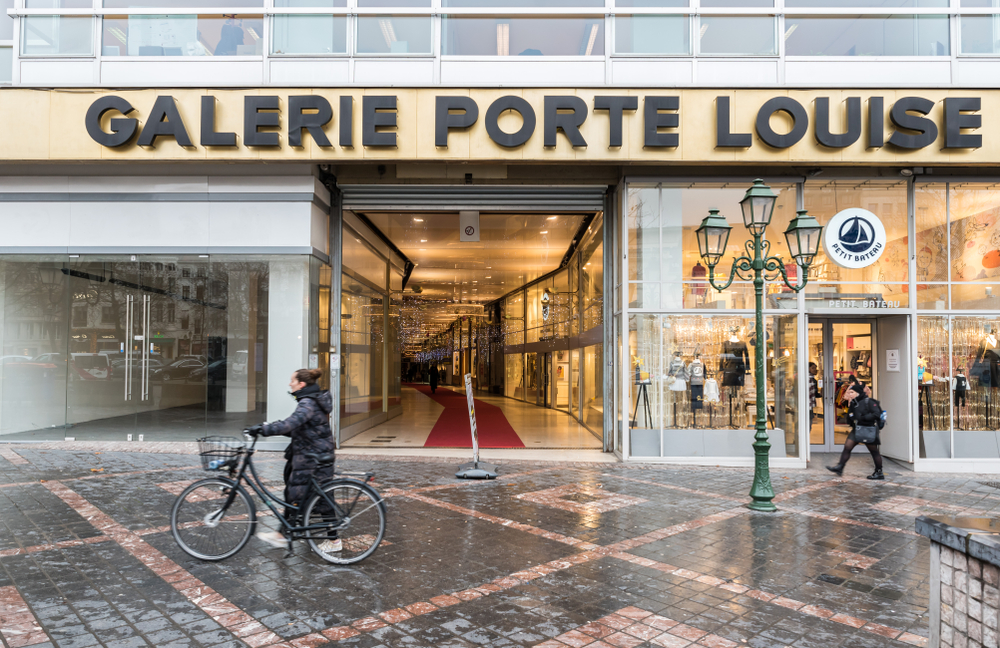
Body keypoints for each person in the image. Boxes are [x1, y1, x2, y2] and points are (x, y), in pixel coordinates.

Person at [250, 368, 339, 551]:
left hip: (312, 457)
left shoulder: (307, 402)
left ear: (301, 384)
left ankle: (333, 541)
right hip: (311, 454)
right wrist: (270, 427)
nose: (290, 384)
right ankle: (283, 534)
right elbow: (298, 427)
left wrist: (264, 429)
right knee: (299, 495)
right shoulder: (310, 400)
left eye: (292, 380)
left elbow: (291, 423)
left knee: (312, 497)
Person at [827, 382, 885, 480]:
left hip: (868, 430)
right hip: (856, 430)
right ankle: (840, 467)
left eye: (852, 392)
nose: (849, 394)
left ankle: (879, 472)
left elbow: (876, 414)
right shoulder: (854, 403)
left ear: (858, 393)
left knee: (874, 451)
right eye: (849, 392)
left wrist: (862, 418)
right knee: (847, 447)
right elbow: (851, 416)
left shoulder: (869, 402)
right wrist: (851, 417)